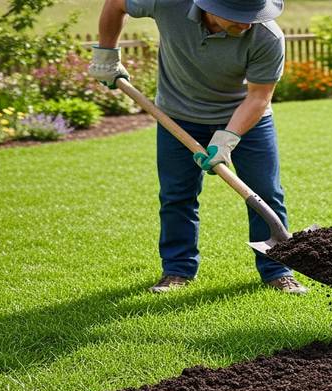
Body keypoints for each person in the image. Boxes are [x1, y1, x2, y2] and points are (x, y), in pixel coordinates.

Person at [89, 0, 307, 294]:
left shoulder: (267, 36)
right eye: (237, 17)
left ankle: (278, 271)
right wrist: (106, 53)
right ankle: (177, 271)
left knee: (266, 193)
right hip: (177, 117)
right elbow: (116, 4)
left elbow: (258, 97)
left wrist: (227, 138)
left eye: (252, 16)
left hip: (244, 119)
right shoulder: (168, 3)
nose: (246, 24)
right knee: (177, 195)